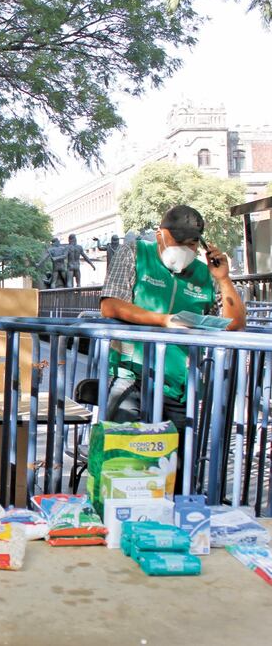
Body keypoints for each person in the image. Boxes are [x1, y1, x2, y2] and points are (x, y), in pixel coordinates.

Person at [100, 205, 246, 484]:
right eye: (178, 241)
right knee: (122, 469)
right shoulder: (135, 253)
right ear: (160, 235)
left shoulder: (205, 275)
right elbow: (111, 304)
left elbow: (234, 323)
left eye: (191, 243)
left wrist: (224, 279)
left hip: (180, 386)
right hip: (132, 378)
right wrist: (163, 320)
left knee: (173, 474)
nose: (184, 248)